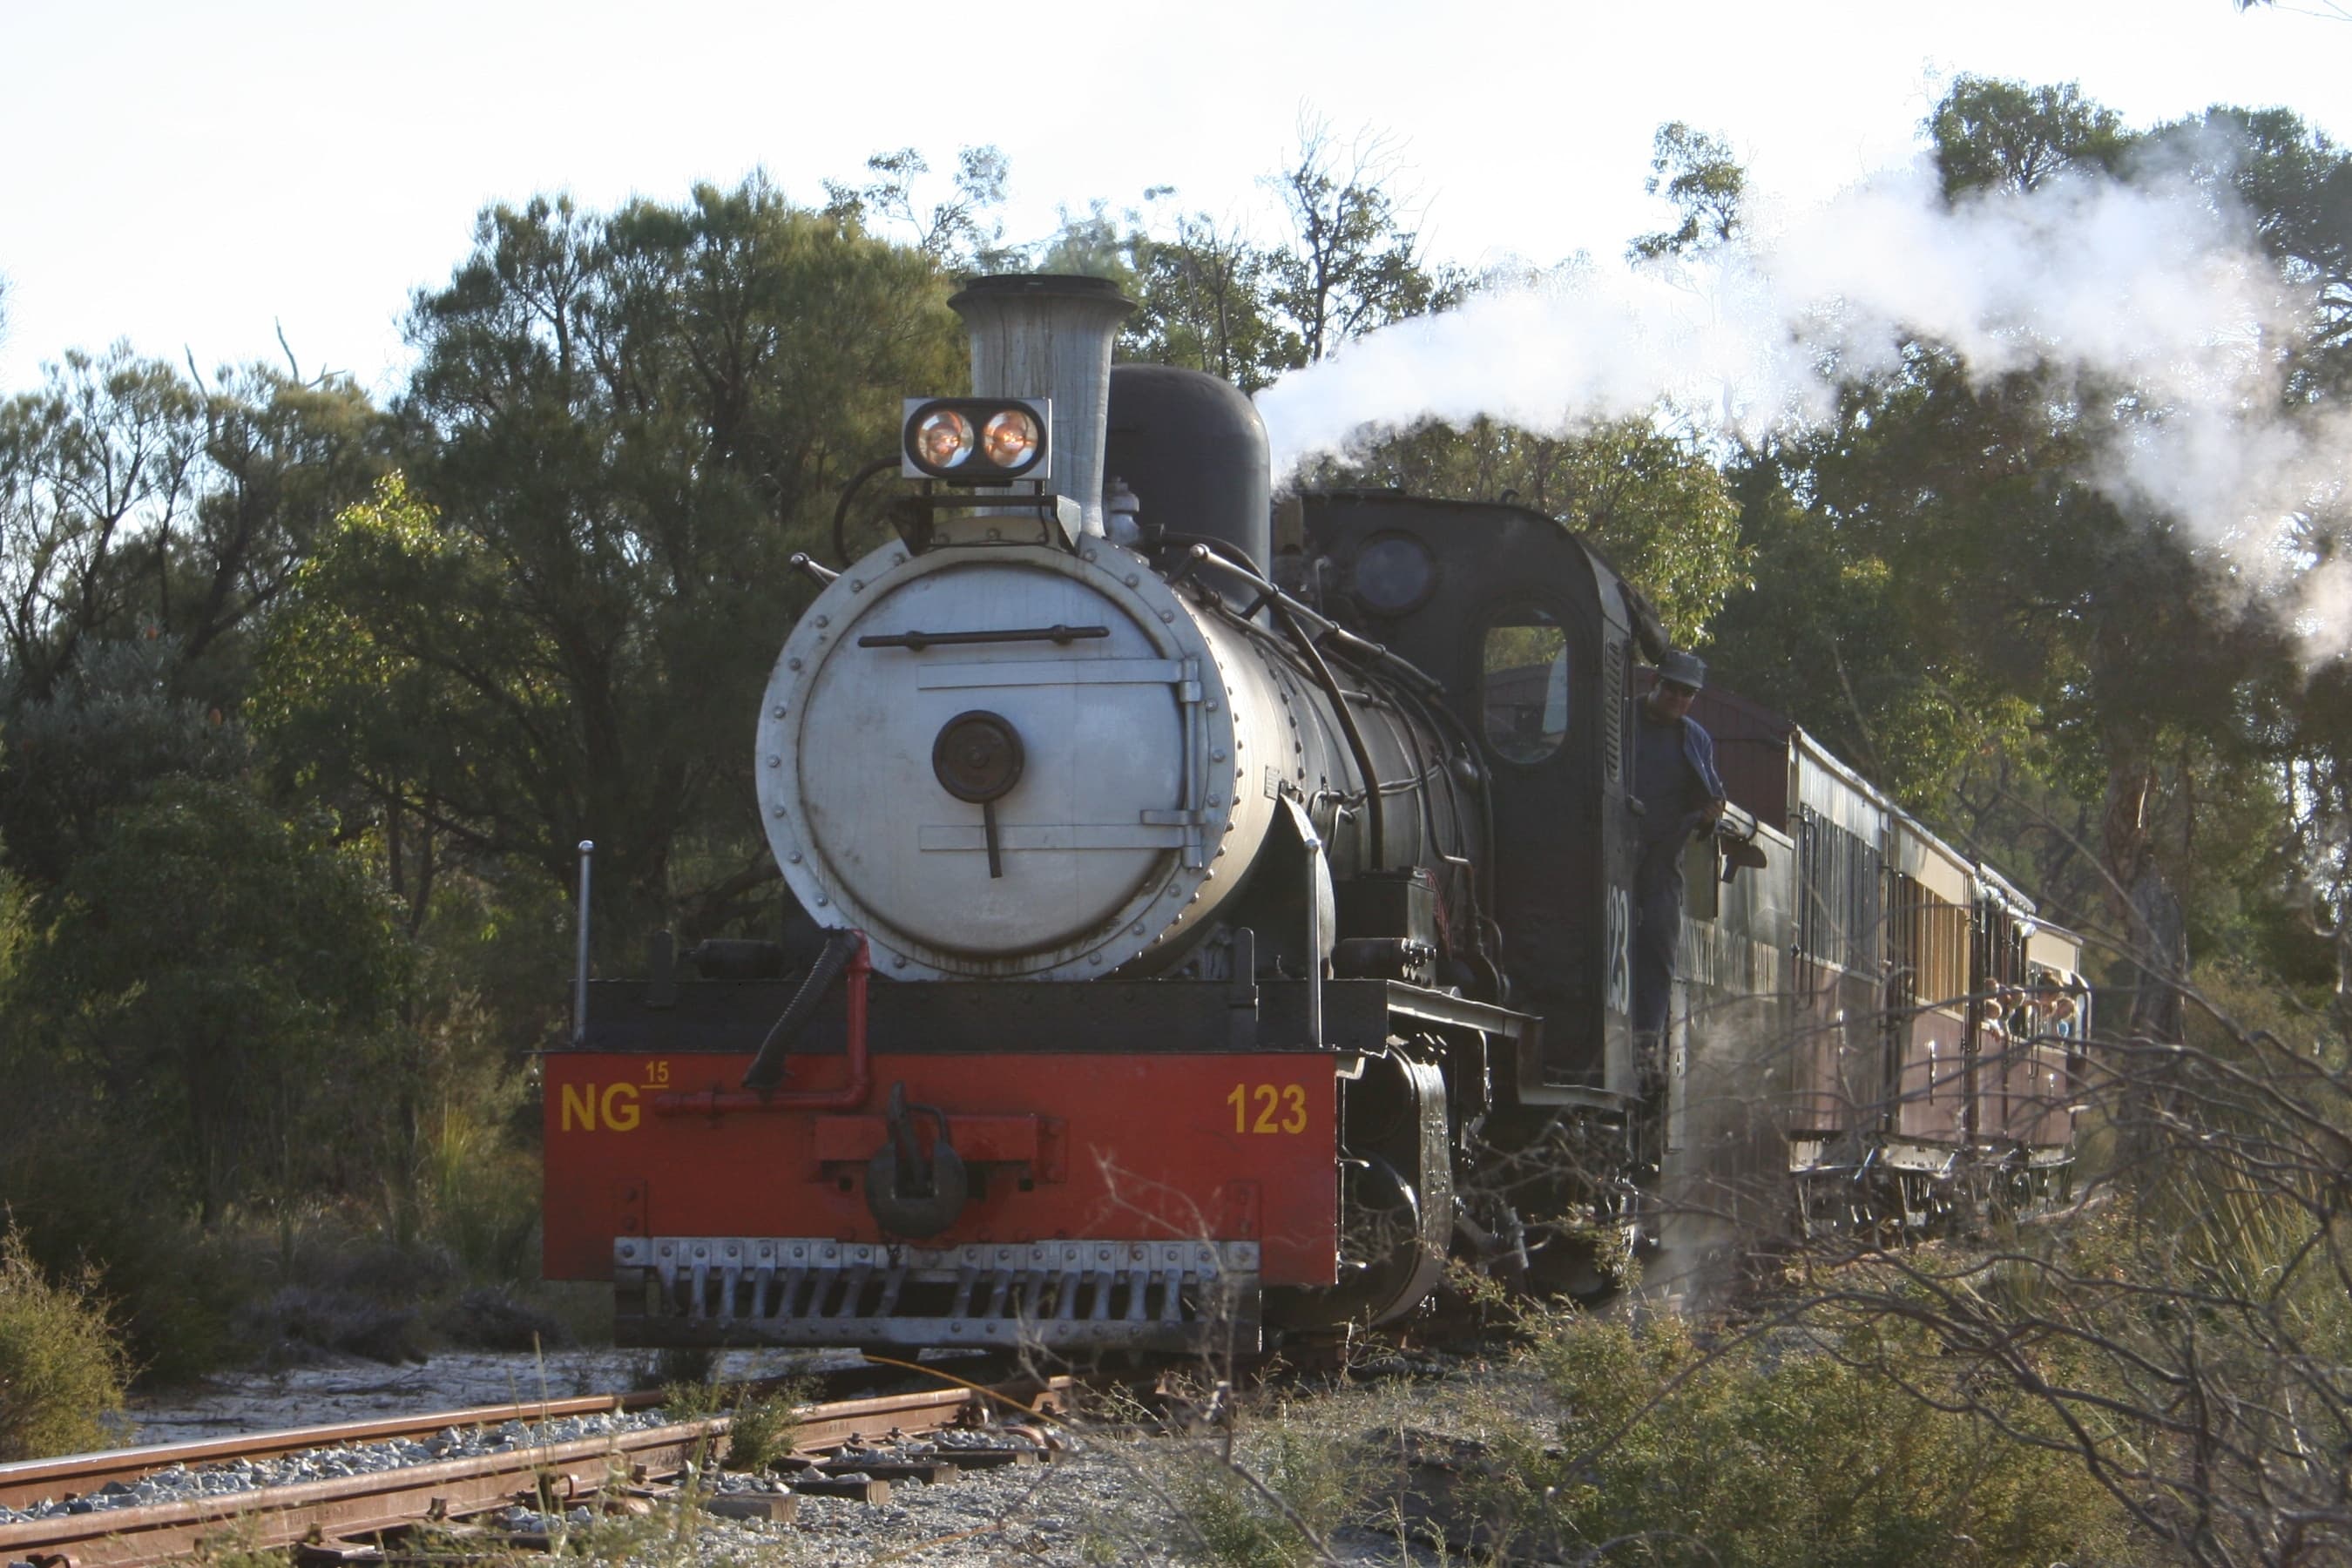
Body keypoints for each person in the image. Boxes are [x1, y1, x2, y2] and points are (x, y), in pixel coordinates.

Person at [1631, 650, 1727, 1044]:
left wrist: (1710, 814)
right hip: (1608, 847)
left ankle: (1644, 1042)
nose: (1679, 699)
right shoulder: (1617, 720)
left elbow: (1713, 795)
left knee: (1658, 942)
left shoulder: (1695, 738)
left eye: (1688, 693)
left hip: (1661, 859)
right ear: (1656, 683)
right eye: (1673, 688)